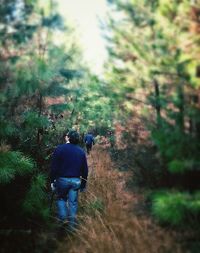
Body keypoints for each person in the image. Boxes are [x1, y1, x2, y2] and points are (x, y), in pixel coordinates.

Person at [50, 130, 88, 230]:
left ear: (68, 138)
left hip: (62, 180)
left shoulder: (60, 149)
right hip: (76, 181)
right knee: (73, 203)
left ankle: (63, 220)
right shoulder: (81, 151)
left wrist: (52, 180)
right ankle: (71, 227)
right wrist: (83, 185)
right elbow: (85, 170)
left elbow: (54, 167)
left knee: (61, 199)